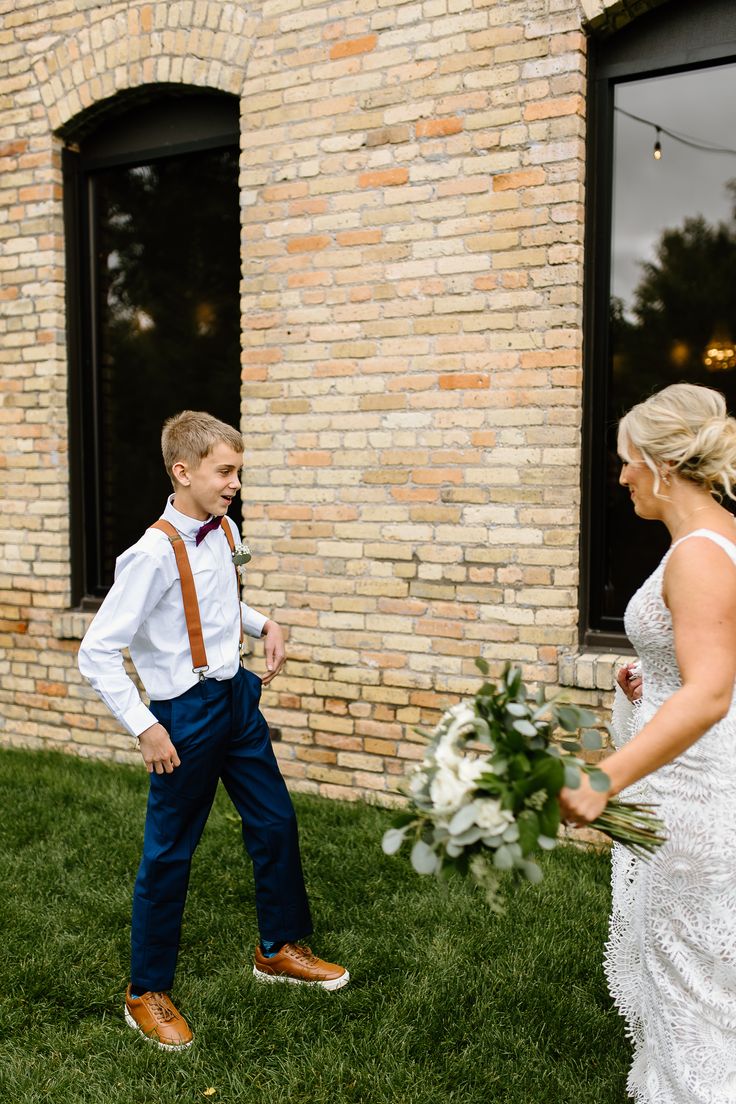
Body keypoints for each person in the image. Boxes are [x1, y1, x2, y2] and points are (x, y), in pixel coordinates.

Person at [78, 410, 348, 1051]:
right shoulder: (148, 556)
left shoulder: (222, 531)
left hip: (236, 704)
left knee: (276, 821)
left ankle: (278, 948)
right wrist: (145, 727)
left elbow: (219, 601)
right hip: (184, 718)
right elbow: (96, 650)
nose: (234, 483)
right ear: (183, 471)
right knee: (170, 852)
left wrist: (265, 626)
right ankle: (146, 991)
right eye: (224, 471)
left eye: (237, 472)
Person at [559, 382, 736, 1103]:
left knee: (687, 978)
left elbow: (710, 691)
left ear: (662, 464)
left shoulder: (697, 554)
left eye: (627, 460)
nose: (622, 474)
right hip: (704, 774)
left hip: (693, 794)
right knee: (696, 969)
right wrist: (651, 675)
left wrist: (603, 778)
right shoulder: (722, 536)